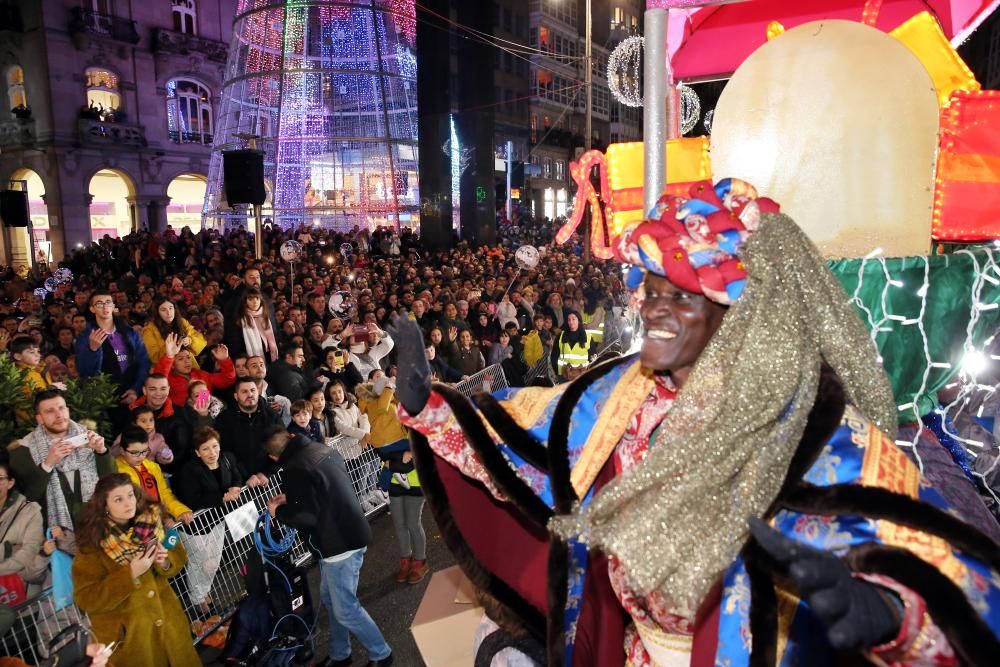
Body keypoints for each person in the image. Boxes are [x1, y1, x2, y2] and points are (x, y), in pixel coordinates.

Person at [391, 179, 1000, 666]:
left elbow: (956, 580)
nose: (653, 307)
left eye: (681, 296)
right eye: (651, 288)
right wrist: (433, 406)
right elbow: (534, 464)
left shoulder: (809, 429)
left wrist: (898, 622)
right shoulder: (618, 394)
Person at [263, 427, 393, 667]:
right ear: (291, 437)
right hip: (349, 532)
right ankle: (340, 654)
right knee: (331, 600)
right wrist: (291, 499)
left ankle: (381, 654)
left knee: (345, 609)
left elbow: (307, 516)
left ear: (274, 457)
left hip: (337, 545)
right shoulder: (321, 449)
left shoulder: (295, 469)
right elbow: (321, 493)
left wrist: (279, 510)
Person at [72, 473, 200, 667]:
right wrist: (129, 574)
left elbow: (178, 556)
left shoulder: (151, 521)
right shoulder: (91, 546)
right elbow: (87, 597)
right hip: (132, 641)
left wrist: (165, 562)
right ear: (104, 505)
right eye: (118, 499)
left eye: (130, 495)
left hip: (169, 626)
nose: (128, 503)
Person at [9, 389, 116, 530]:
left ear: (68, 410)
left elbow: (113, 483)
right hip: (53, 535)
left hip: (96, 526)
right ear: (39, 418)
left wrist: (101, 452)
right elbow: (27, 499)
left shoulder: (88, 436)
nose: (58, 415)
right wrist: (47, 464)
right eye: (49, 411)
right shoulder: (23, 450)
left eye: (61, 408)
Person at [75, 289, 150, 411]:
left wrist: (136, 389)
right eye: (99, 303)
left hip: (133, 393)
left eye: (108, 302)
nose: (105, 306)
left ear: (113, 306)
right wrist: (92, 349)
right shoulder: (86, 336)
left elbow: (143, 362)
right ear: (92, 309)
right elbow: (85, 372)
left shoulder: (129, 332)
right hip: (105, 399)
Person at [113, 427, 192, 525]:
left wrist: (180, 511)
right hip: (136, 527)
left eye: (144, 451)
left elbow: (164, 494)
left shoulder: (153, 467)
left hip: (159, 522)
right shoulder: (115, 470)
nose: (141, 456)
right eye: (134, 453)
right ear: (122, 451)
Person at [174, 427, 265, 511]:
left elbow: (237, 477)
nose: (212, 452)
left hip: (236, 510)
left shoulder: (228, 458)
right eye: (205, 449)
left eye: (215, 446)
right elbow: (193, 500)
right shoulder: (189, 470)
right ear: (198, 453)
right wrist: (222, 498)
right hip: (210, 520)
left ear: (219, 446)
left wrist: (236, 486)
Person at [0, 461, 50, 600]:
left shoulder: (29, 512)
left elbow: (29, 556)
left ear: (10, 483)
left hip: (21, 596)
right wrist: (9, 549)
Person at [215, 377, 282, 475]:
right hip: (239, 482)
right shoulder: (224, 419)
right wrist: (243, 477)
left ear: (258, 392)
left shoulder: (271, 415)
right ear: (236, 396)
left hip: (269, 479)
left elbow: (281, 447)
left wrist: (267, 473)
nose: (250, 394)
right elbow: (224, 452)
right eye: (244, 391)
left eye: (252, 390)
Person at [153, 333, 235, 407]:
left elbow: (228, 379)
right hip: (182, 419)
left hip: (205, 416)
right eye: (180, 359)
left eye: (188, 357)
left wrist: (225, 360)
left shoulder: (202, 375)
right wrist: (169, 356)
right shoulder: (168, 379)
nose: (186, 361)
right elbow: (157, 381)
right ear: (172, 365)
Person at [141, 297, 206, 366]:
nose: (168, 313)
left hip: (188, 364)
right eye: (163, 310)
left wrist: (189, 340)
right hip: (169, 369)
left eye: (171, 308)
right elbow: (153, 357)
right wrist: (169, 349)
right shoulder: (149, 330)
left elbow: (201, 342)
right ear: (157, 312)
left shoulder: (182, 322)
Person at [227, 287, 279, 362]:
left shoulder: (267, 316)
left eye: (257, 298)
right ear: (245, 302)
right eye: (250, 299)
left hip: (269, 355)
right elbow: (237, 343)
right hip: (250, 357)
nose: (255, 302)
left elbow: (275, 335)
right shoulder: (240, 319)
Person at [551, 310, 593, 382]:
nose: (571, 322)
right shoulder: (560, 336)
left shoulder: (588, 337)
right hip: (564, 376)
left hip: (582, 375)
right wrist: (558, 373)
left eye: (573, 319)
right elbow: (554, 356)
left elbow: (593, 357)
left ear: (579, 321)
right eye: (569, 320)